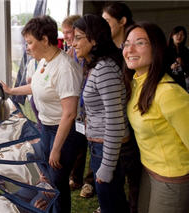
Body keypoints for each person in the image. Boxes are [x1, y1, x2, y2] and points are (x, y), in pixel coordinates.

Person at [1, 15, 83, 212]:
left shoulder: (64, 68)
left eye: (30, 42)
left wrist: (56, 148)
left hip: (63, 132)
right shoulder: (46, 61)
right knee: (49, 178)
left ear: (45, 40)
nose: (27, 47)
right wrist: (11, 91)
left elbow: (69, 114)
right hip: (46, 128)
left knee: (57, 182)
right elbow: (36, 86)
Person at [122, 22, 189, 213]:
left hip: (172, 178)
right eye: (126, 44)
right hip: (148, 171)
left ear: (156, 48)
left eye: (140, 43)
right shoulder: (135, 83)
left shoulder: (169, 93)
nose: (130, 49)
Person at [73, 14, 130, 213]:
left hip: (108, 148)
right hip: (100, 146)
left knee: (111, 205)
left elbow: (115, 119)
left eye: (78, 37)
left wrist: (107, 165)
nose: (73, 43)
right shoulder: (96, 66)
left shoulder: (105, 69)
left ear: (94, 39)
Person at [102, 3, 142, 213]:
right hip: (122, 122)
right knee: (120, 174)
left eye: (107, 21)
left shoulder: (133, 54)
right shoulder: (112, 52)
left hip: (139, 122)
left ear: (122, 21)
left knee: (136, 179)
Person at [62, 14, 94, 198]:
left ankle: (90, 182)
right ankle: (76, 177)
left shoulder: (90, 55)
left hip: (91, 107)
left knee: (94, 147)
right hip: (79, 107)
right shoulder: (70, 53)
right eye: (64, 33)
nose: (66, 36)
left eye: (69, 32)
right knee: (80, 143)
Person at [166, 25, 189, 91]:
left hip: (181, 83)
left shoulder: (186, 51)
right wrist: (170, 67)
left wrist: (183, 63)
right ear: (172, 36)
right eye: (177, 34)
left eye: (182, 35)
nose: (179, 36)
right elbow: (159, 67)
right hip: (169, 82)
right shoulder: (165, 50)